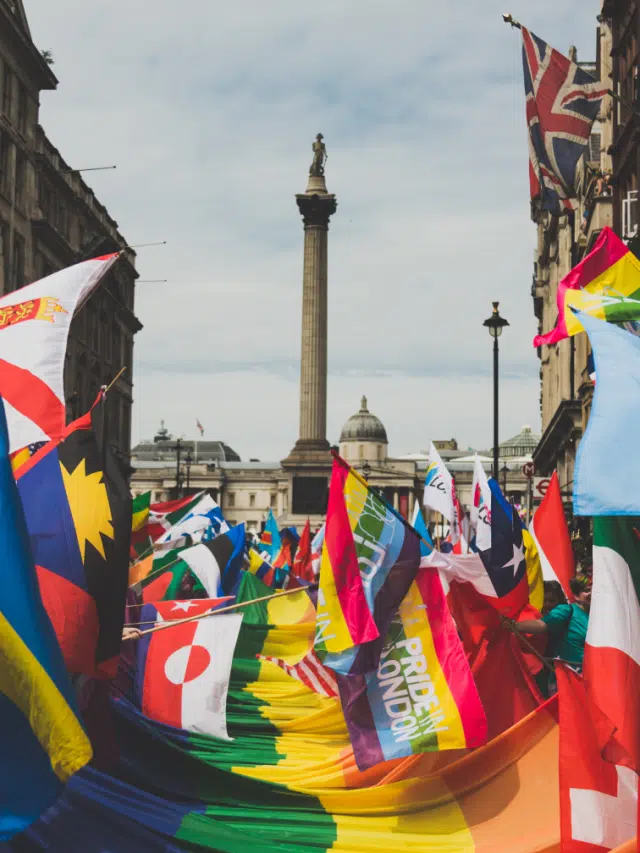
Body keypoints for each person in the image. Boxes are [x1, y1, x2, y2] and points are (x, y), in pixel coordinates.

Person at [515, 574, 591, 671]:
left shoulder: (605, 615)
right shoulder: (567, 611)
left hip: (596, 673)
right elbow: (541, 625)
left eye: (551, 600)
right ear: (576, 596)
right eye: (587, 590)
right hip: (570, 675)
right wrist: (514, 625)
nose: (592, 593)